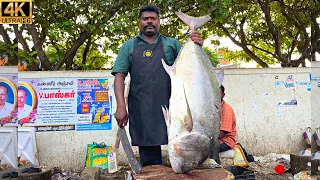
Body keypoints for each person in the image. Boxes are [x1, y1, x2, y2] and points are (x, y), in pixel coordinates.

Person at [112, 4, 204, 166]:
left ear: (159, 21)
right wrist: (121, 106)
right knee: (150, 160)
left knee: (183, 153)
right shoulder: (129, 46)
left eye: (153, 18)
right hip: (142, 109)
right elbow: (119, 76)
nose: (149, 22)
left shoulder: (172, 44)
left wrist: (196, 45)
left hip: (174, 108)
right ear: (139, 22)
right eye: (145, 19)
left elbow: (191, 67)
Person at [219, 85, 237, 152]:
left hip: (226, 141)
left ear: (223, 95)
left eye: (218, 93)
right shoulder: (212, 108)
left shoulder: (226, 109)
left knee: (204, 148)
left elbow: (222, 133)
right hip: (215, 138)